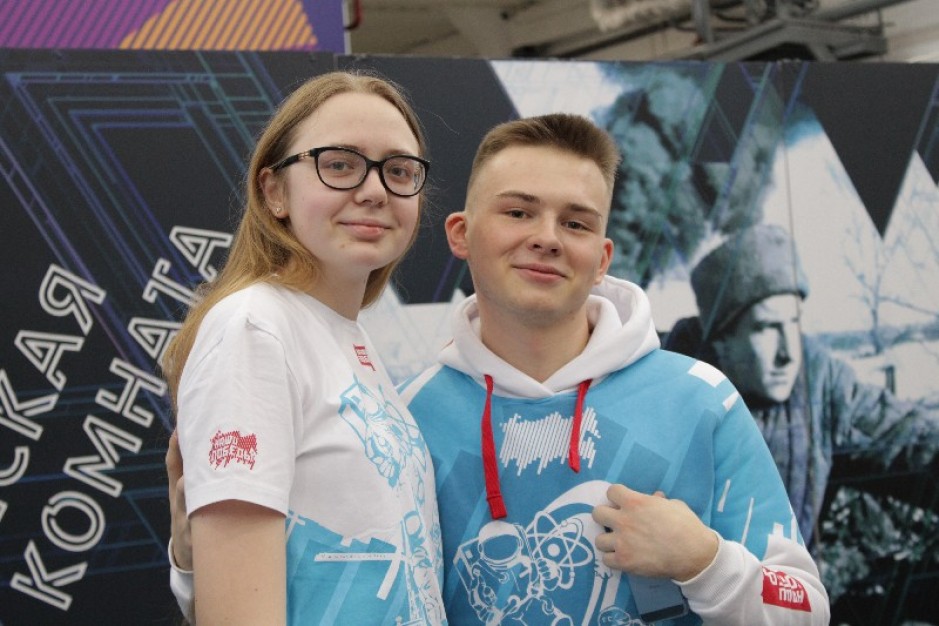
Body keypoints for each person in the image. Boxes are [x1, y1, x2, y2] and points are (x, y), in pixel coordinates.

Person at [169, 114, 830, 624]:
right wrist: (194, 562)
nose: (546, 237)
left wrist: (704, 562)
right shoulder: (406, 418)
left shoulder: (699, 400)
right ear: (460, 234)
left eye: (575, 223)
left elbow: (805, 606)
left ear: (602, 258)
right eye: (517, 212)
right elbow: (322, 588)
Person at [161, 71, 445, 625]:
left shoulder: (347, 336)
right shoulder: (254, 328)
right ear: (274, 192)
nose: (374, 190)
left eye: (399, 170)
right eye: (339, 164)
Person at [663, 223, 939, 547]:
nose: (788, 354)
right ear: (722, 341)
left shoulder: (820, 383)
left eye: (794, 322)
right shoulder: (666, 394)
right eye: (766, 327)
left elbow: (904, 438)